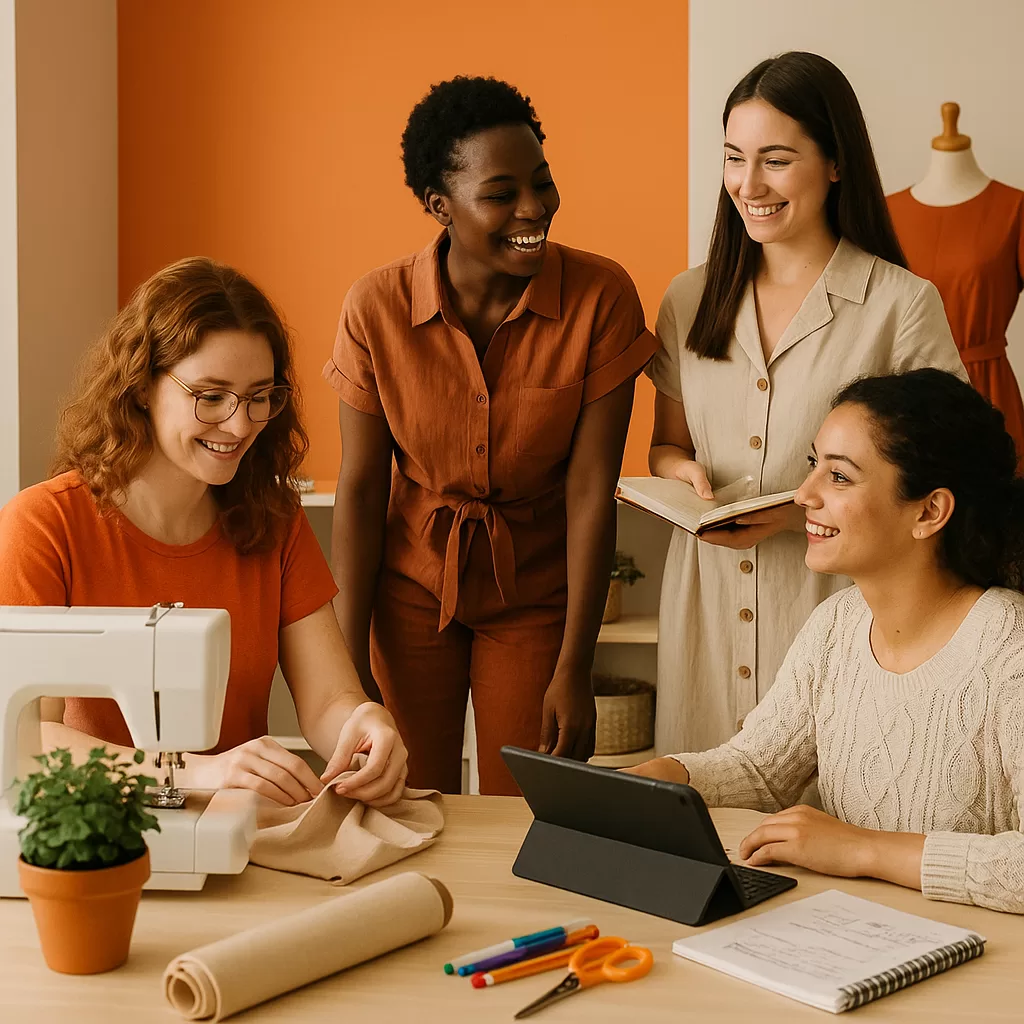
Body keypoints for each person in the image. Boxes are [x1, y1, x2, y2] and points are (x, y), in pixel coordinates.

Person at [325, 76, 658, 795]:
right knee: (408, 799)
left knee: (527, 804)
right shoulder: (375, 307)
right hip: (410, 588)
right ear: (439, 206)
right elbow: (358, 490)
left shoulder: (601, 299)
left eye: (542, 182)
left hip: (536, 595)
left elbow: (593, 488)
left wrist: (576, 664)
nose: (534, 209)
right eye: (502, 193)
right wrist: (347, 672)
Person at [647, 51, 966, 755]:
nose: (748, 183)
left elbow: (946, 477)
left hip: (840, 609)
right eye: (734, 158)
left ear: (835, 163)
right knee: (702, 813)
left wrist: (794, 510)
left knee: (829, 819)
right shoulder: (687, 299)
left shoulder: (901, 305)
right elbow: (667, 448)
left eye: (776, 159)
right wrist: (684, 479)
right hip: (703, 608)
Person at [0, 258, 408, 807]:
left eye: (260, 396)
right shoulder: (44, 526)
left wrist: (366, 726)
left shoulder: (273, 520)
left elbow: (329, 698)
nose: (240, 425)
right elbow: (27, 740)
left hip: (238, 833)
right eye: (210, 396)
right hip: (91, 835)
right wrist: (190, 772)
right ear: (142, 385)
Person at [628, 368, 1024, 914]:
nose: (804, 494)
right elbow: (761, 769)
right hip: (847, 937)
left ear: (929, 511)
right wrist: (668, 775)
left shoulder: (1010, 647)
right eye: (815, 465)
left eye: (839, 478)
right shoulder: (835, 625)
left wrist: (863, 849)